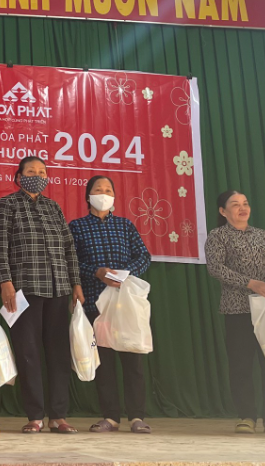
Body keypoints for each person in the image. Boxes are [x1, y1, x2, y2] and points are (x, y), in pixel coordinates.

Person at [0, 156, 83, 434]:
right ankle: (34, 416)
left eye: (42, 172)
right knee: (28, 353)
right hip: (24, 289)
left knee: (58, 354)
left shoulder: (53, 207)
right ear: (19, 177)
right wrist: (5, 282)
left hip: (58, 288)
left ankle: (58, 416)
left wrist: (76, 283)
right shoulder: (7, 205)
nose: (38, 176)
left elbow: (69, 248)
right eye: (31, 171)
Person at [205, 190, 265, 435]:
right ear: (223, 211)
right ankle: (246, 416)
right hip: (238, 310)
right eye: (235, 204)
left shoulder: (263, 235)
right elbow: (215, 268)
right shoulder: (218, 236)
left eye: (245, 203)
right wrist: (250, 283)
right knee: (241, 365)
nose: (242, 208)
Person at [68, 175, 152, 434]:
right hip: (95, 303)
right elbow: (71, 261)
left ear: (114, 196)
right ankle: (111, 417)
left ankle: (136, 417)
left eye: (108, 190)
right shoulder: (77, 227)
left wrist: (125, 273)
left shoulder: (125, 225)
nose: (103, 194)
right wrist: (96, 272)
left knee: (133, 361)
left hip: (125, 304)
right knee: (103, 363)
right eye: (98, 189)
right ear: (88, 196)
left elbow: (144, 256)